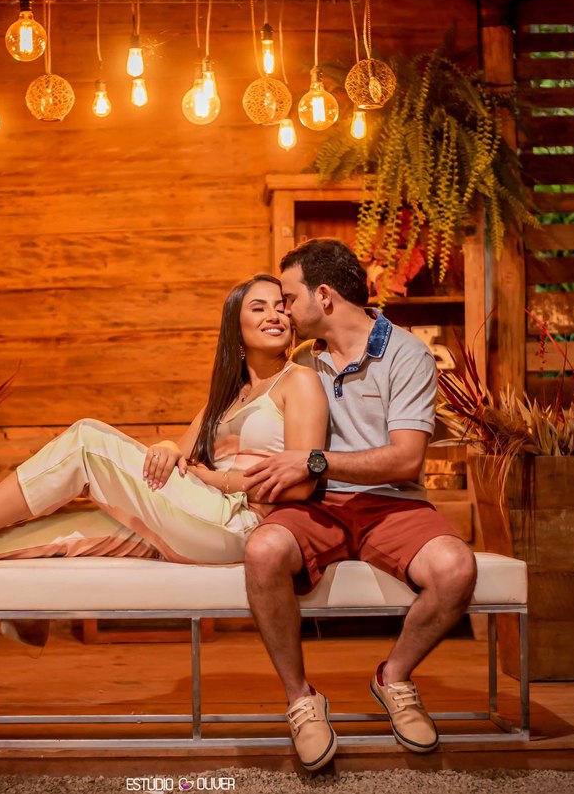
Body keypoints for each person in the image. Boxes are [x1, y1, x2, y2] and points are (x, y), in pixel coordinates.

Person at [0, 274, 329, 576]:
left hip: (244, 525)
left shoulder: (298, 382)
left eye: (280, 307)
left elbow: (302, 484)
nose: (275, 315)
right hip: (200, 513)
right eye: (258, 307)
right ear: (235, 330)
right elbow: (179, 458)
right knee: (76, 528)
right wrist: (165, 445)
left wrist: (215, 479)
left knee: (88, 440)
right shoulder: (224, 399)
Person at [240, 239, 478, 771]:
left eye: (289, 297)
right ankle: (301, 700)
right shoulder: (303, 361)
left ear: (323, 296)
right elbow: (238, 411)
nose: (283, 311)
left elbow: (406, 460)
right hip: (319, 504)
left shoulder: (407, 354)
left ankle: (394, 678)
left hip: (390, 503)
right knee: (263, 550)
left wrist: (314, 461)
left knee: (456, 568)